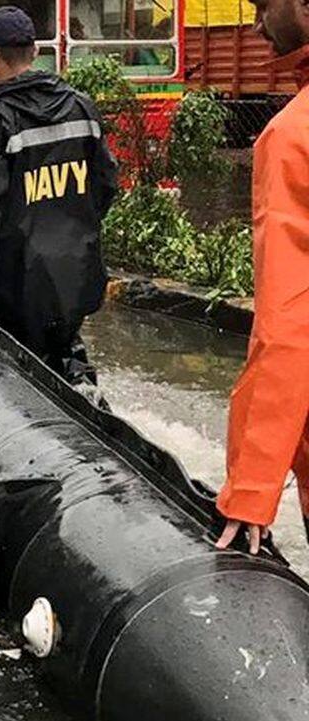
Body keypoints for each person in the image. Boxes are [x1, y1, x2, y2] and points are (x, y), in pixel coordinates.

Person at [0, 6, 118, 387]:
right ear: (35, 52)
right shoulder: (81, 107)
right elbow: (106, 185)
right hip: (77, 273)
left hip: (16, 281)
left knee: (18, 377)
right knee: (67, 354)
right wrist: (73, 229)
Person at [214, 0, 309, 554]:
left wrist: (250, 489)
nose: (255, 25)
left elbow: (290, 324)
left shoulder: (293, 136)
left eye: (262, 4)